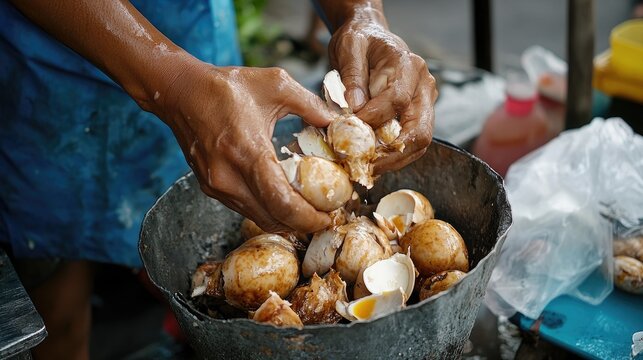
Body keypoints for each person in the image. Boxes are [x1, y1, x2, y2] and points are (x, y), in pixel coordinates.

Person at [0, 0, 437, 358]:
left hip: (197, 45)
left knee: (187, 249)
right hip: (50, 68)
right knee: (55, 316)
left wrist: (359, 14)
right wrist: (171, 81)